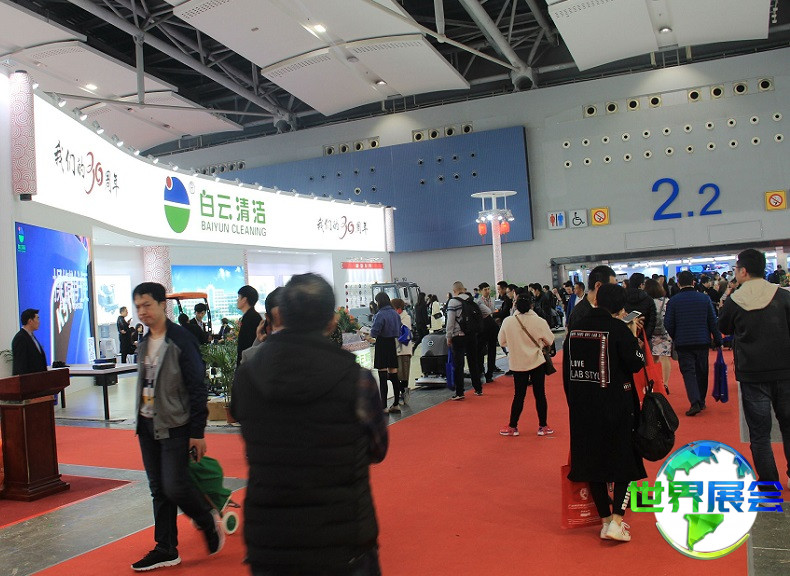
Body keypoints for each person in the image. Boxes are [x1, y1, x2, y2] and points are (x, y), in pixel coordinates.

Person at [231, 273, 387, 576]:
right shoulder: (357, 380)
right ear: (331, 321)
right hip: (343, 539)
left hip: (270, 541)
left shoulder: (247, 375)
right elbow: (377, 449)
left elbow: (245, 423)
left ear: (279, 316)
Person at [131, 282, 223, 571]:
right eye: (138, 306)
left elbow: (197, 387)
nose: (142, 312)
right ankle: (166, 548)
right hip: (147, 424)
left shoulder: (181, 339)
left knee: (175, 485)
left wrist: (197, 432)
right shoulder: (144, 342)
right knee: (158, 489)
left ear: (162, 304)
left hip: (176, 425)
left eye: (147, 305)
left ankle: (207, 519)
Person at [564, 283, 647, 543]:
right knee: (624, 462)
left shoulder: (575, 329)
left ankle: (604, 520)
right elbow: (636, 363)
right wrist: (632, 334)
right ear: (621, 307)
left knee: (592, 463)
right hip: (617, 405)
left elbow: (567, 371)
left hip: (582, 406)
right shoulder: (618, 329)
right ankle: (617, 520)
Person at [718, 249, 790, 490]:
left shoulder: (735, 301)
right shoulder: (783, 296)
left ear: (743, 271)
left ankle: (769, 485)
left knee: (760, 434)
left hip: (752, 373)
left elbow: (724, 328)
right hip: (785, 370)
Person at [664, 270, 722, 416]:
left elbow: (668, 323)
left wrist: (676, 336)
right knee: (702, 372)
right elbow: (713, 321)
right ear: (693, 282)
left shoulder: (673, 301)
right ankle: (701, 400)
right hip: (702, 341)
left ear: (678, 283)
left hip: (683, 343)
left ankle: (694, 401)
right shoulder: (704, 299)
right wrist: (718, 339)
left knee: (688, 372)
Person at [497, 293, 555, 437]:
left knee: (519, 395)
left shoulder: (508, 321)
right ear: (531, 305)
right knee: (540, 394)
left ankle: (513, 426)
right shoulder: (539, 321)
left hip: (518, 363)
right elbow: (550, 340)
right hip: (537, 361)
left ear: (515, 305)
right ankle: (543, 426)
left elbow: (502, 341)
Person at [446, 281, 483, 399]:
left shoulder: (453, 302)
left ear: (454, 291)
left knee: (459, 364)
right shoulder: (472, 300)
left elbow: (450, 321)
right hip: (472, 335)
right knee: (473, 362)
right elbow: (485, 312)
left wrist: (448, 336)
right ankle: (478, 388)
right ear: (463, 289)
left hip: (458, 336)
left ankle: (460, 392)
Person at [368, 291, 402, 412]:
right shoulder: (395, 314)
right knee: (394, 375)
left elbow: (374, 332)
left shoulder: (380, 314)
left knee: (382, 376)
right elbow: (399, 329)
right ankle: (396, 404)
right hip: (392, 344)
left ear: (379, 302)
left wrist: (368, 334)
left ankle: (384, 406)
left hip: (382, 344)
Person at [566, 265, 617, 332]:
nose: (615, 291)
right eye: (612, 287)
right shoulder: (580, 314)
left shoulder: (607, 307)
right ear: (598, 286)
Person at [241, 288, 283, 364]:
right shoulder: (306, 348)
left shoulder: (250, 355)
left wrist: (258, 341)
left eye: (238, 297)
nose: (237, 300)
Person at [644, 278, 672, 391]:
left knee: (652, 359)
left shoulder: (647, 302)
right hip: (665, 331)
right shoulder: (667, 301)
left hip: (651, 332)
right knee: (665, 357)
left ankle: (653, 381)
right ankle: (665, 383)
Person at [11, 308, 47, 375]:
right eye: (37, 319)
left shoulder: (31, 337)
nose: (39, 322)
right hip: (29, 379)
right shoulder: (20, 338)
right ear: (30, 321)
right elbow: (21, 365)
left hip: (39, 378)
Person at [391, 298, 413, 410]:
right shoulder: (396, 317)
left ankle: (404, 394)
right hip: (396, 350)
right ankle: (402, 393)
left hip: (404, 350)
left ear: (398, 308)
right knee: (397, 374)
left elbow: (403, 332)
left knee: (404, 373)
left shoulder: (406, 317)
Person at [624, 273, 657, 339]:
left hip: (627, 335)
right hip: (644, 335)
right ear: (641, 285)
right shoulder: (648, 299)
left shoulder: (623, 298)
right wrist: (644, 338)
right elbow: (652, 320)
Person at [478, 282, 499, 381]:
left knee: (492, 350)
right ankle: (481, 369)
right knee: (481, 350)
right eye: (485, 290)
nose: (487, 291)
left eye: (488, 289)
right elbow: (489, 312)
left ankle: (490, 372)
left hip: (492, 327)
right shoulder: (478, 301)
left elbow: (493, 311)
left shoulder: (493, 299)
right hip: (483, 328)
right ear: (480, 291)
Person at [236, 285, 263, 365]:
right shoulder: (251, 316)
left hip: (249, 363)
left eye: (239, 297)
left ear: (244, 300)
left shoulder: (251, 318)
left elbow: (247, 344)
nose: (237, 300)